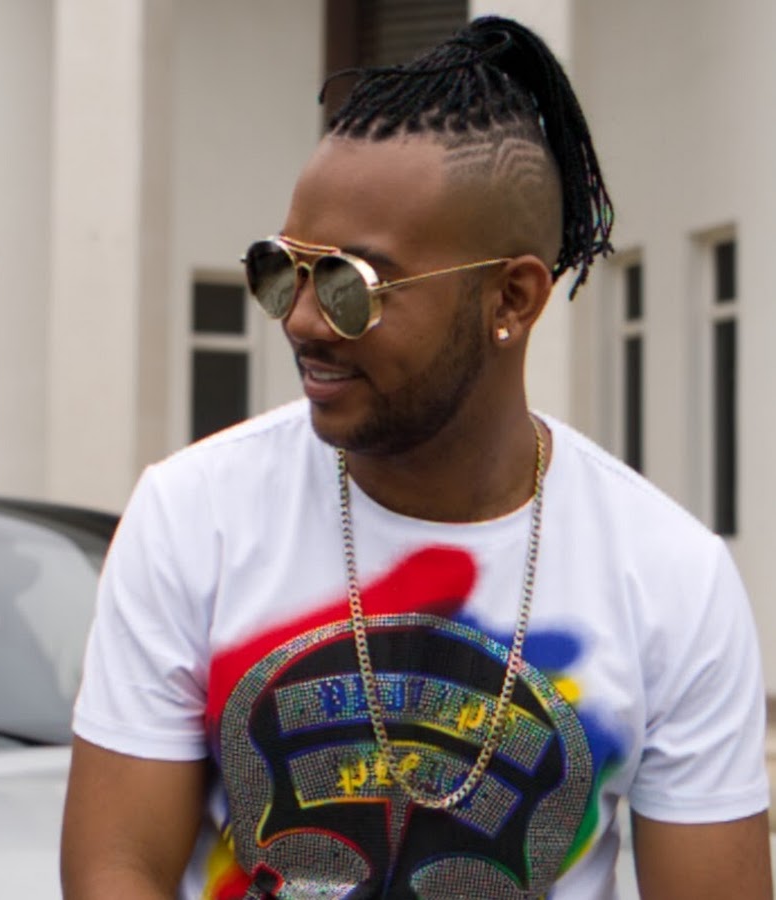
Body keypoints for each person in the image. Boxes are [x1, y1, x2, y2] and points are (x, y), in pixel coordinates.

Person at [60, 14, 772, 899]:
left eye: (351, 285)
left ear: (511, 298)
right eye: (282, 269)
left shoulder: (669, 577)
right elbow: (116, 866)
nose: (302, 320)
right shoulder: (193, 515)